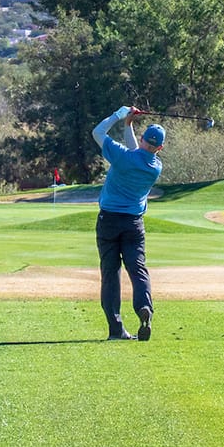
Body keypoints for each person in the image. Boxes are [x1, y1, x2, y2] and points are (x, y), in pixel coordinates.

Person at [91, 105, 164, 341]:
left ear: (143, 139)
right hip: (134, 224)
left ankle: (116, 329)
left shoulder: (122, 156)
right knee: (138, 268)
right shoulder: (155, 167)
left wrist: (119, 115)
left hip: (109, 221)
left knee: (110, 273)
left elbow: (97, 133)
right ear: (160, 148)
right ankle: (144, 307)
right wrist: (128, 126)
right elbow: (139, 153)